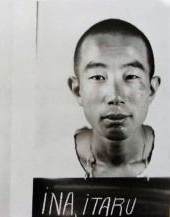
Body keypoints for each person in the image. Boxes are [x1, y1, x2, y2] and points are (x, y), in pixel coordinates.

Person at [68, 19, 160, 178]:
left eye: (131, 76)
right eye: (98, 77)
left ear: (151, 89)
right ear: (77, 90)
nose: (115, 97)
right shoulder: (45, 162)